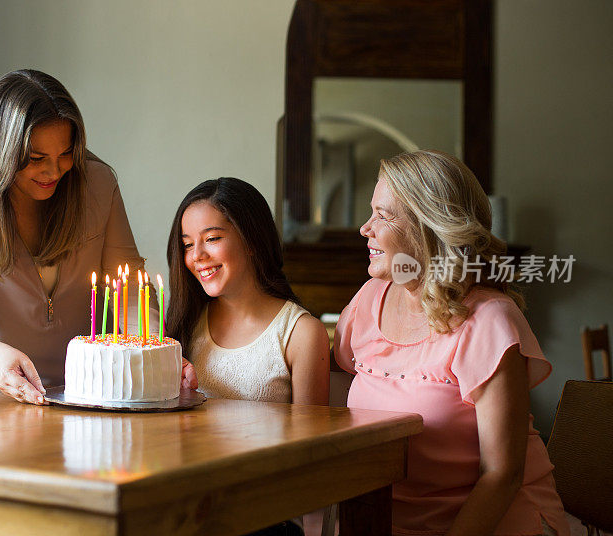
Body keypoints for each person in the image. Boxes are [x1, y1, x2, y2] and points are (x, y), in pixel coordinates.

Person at [333, 150, 569, 536]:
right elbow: (333, 373)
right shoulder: (368, 298)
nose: (365, 228)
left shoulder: (490, 319)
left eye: (383, 215)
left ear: (429, 226)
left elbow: (502, 476)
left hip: (487, 522)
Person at [0, 69, 195, 405]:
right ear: (1, 152)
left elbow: (130, 290)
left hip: (84, 395)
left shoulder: (97, 185)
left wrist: (151, 353)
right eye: (36, 159)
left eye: (66, 154)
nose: (54, 171)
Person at [167, 177, 329, 405]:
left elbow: (311, 436)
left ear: (251, 240)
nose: (197, 256)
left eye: (212, 238)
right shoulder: (186, 321)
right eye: (188, 245)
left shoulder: (301, 333)